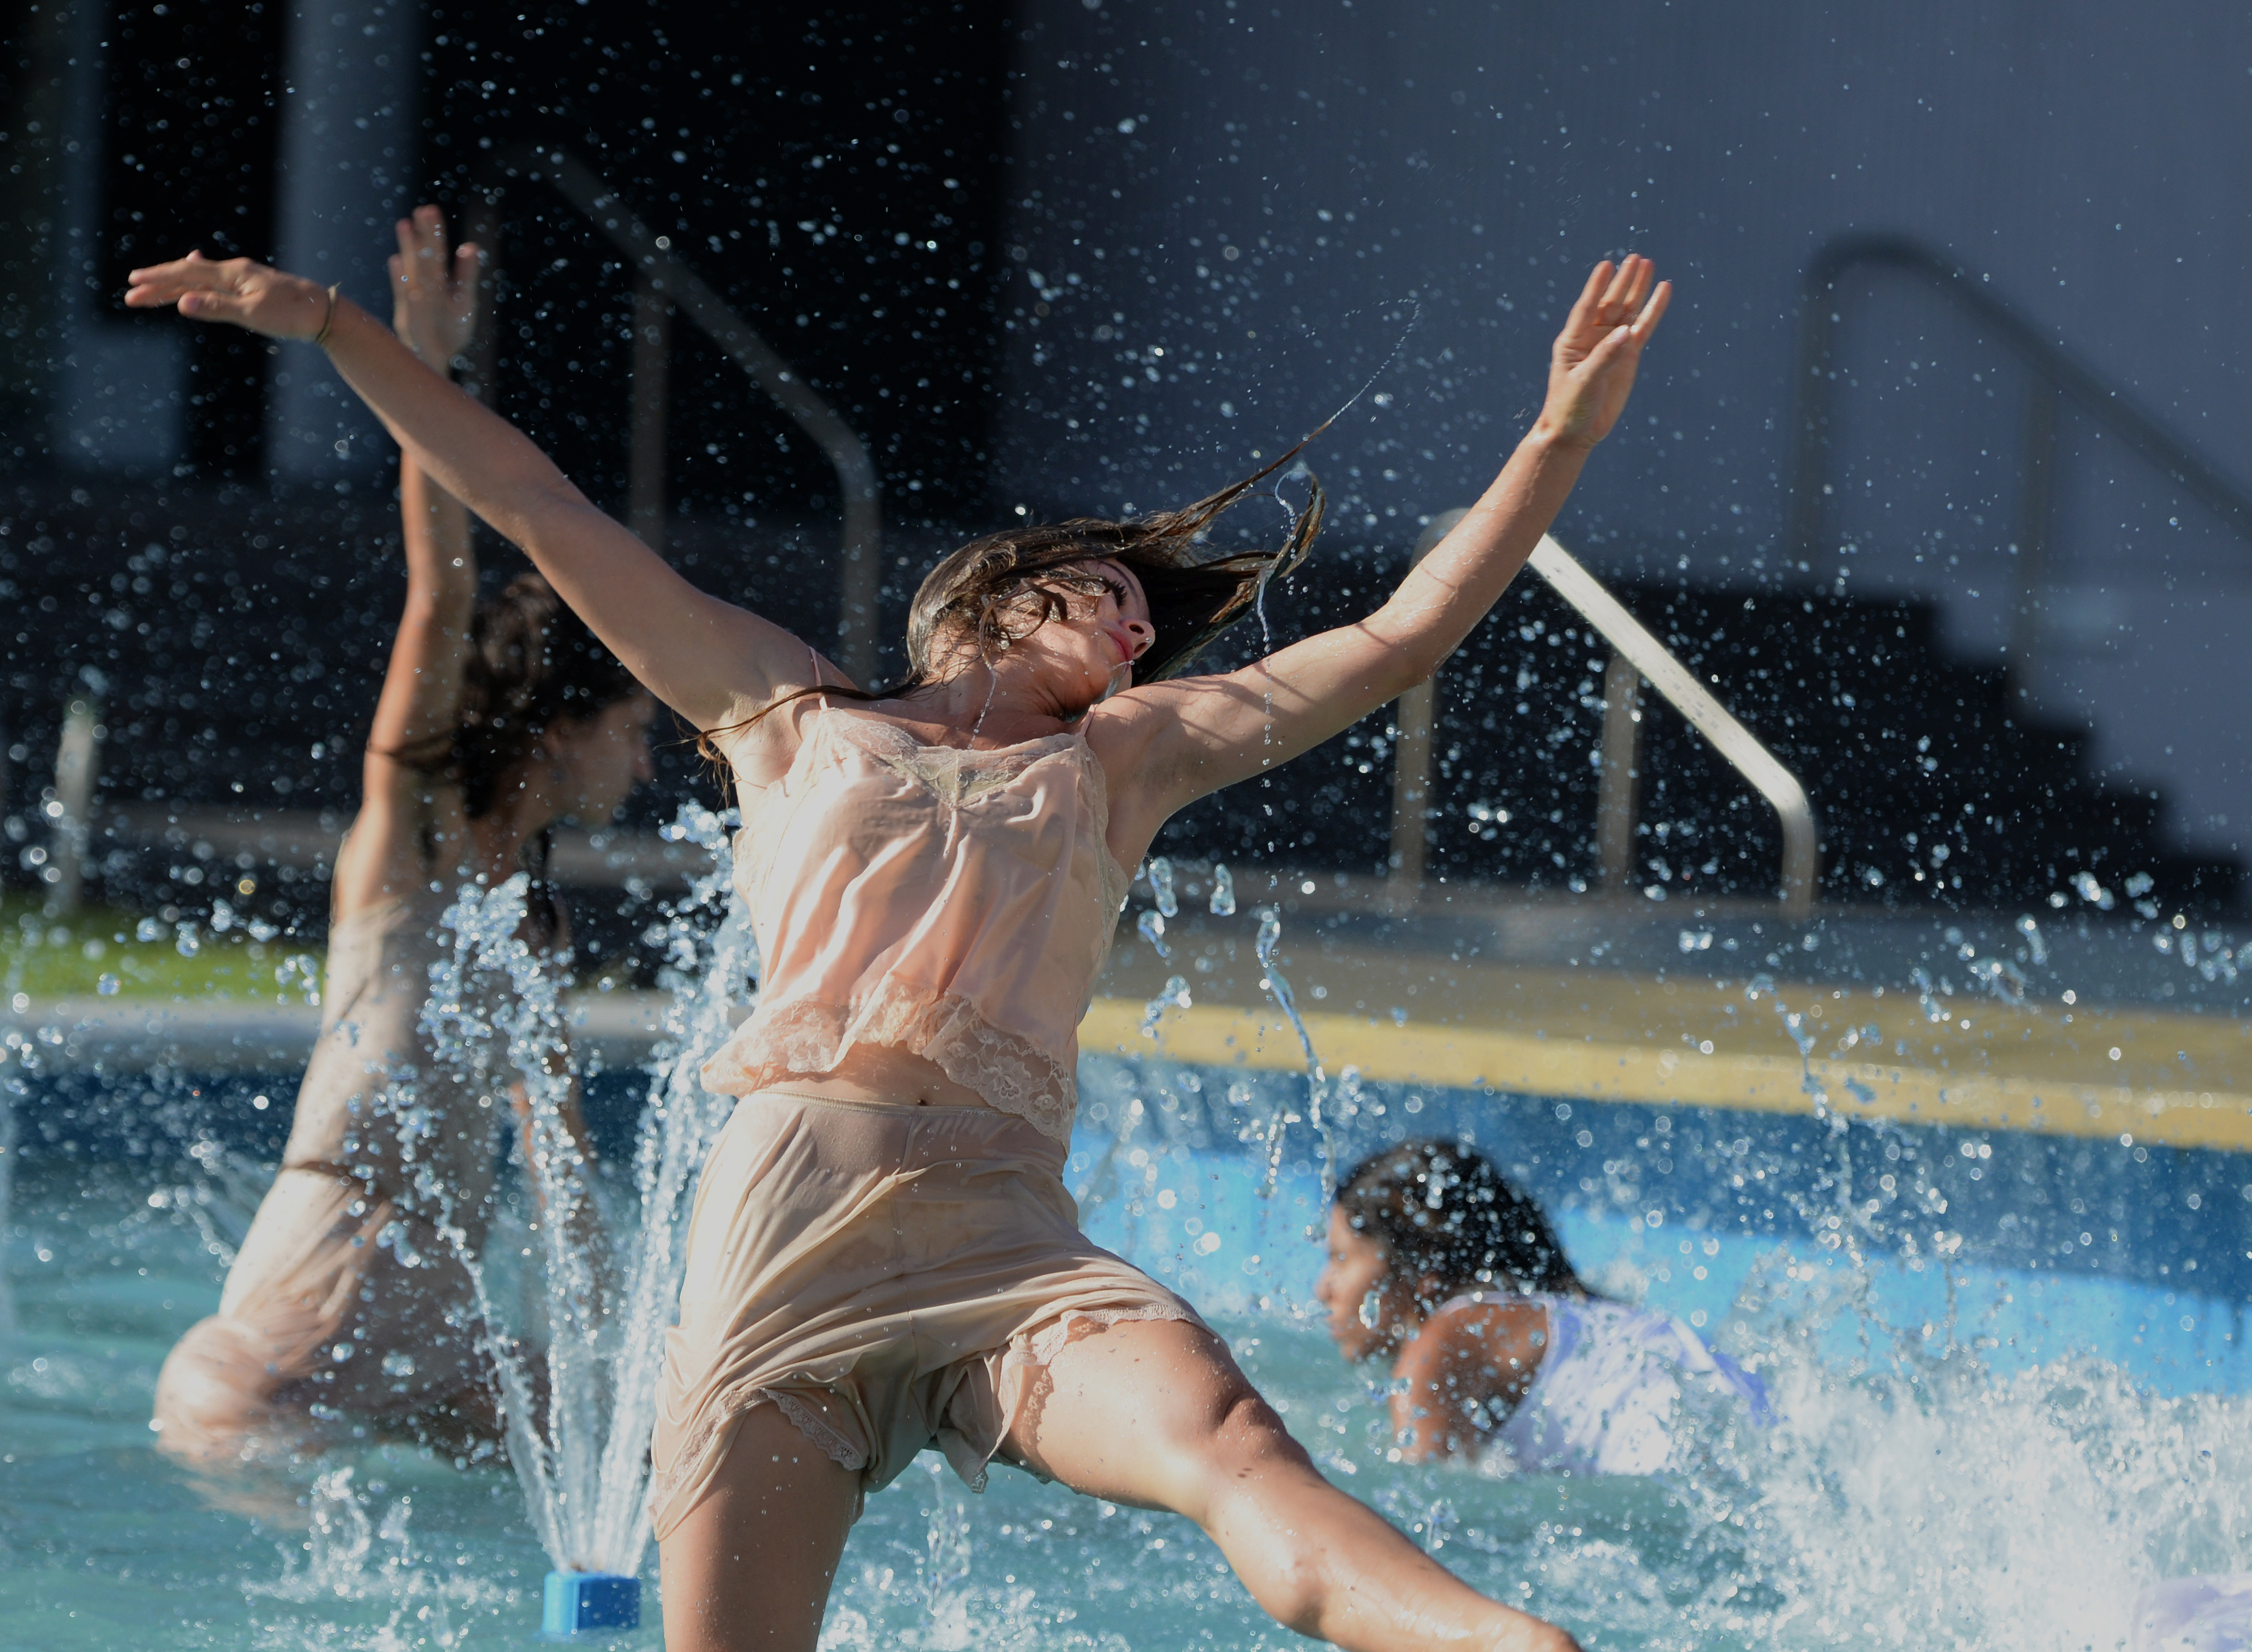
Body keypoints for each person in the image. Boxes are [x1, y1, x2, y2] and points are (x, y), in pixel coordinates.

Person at [126, 211, 1670, 1652]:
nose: (1141, 631)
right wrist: (332, 326)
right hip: (780, 1259)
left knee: (1233, 1446)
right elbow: (536, 502)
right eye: (1110, 596)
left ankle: (1512, 1642)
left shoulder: (1125, 763)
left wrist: (1558, 441)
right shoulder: (788, 713)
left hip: (1011, 1253)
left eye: (1146, 623)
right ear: (997, 594)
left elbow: (1394, 641)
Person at [151, 214, 658, 1467]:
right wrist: (416, 372)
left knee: (674, 1449)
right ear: (559, 727)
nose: (646, 763)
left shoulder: (531, 920)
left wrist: (614, 1371)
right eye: (630, 730)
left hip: (438, 1362)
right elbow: (439, 588)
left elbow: (560, 1172)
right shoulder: (410, 844)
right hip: (278, 1355)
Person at [1318, 1139, 1769, 1476]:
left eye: (1340, 1258)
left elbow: (1422, 1499)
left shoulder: (1442, 1342)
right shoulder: (1571, 1310)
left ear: (1424, 1271)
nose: (1323, 1289)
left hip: (1677, 1474)